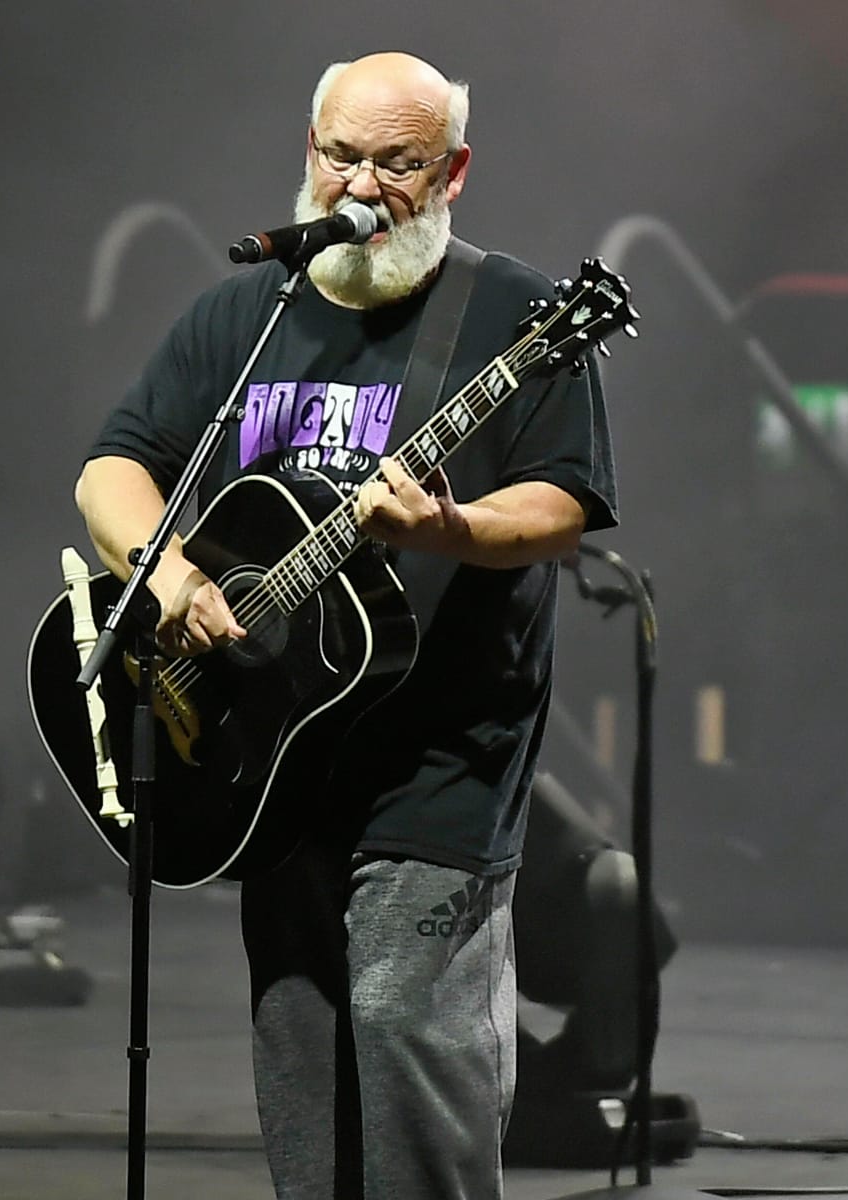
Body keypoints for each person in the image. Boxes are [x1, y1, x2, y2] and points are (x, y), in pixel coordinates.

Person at [73, 51, 617, 1199]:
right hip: (273, 753)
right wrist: (161, 571)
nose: (361, 186)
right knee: (301, 1051)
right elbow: (116, 468)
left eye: (397, 163)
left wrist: (450, 524)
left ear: (455, 170)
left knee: (406, 1034)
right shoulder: (250, 314)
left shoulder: (515, 313)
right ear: (307, 154)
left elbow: (561, 509)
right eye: (341, 156)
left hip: (441, 759)